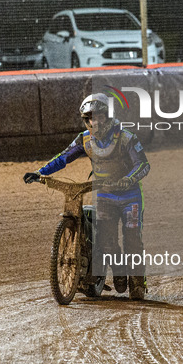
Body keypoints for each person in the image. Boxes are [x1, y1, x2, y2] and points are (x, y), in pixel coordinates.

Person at [23, 93, 150, 300]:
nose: (94, 122)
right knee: (106, 241)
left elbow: (143, 164)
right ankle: (119, 272)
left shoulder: (126, 137)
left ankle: (137, 283)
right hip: (106, 196)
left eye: (99, 116)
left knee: (132, 239)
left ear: (108, 116)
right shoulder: (84, 139)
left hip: (130, 196)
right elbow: (63, 157)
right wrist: (41, 172)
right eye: (90, 118)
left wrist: (127, 179)